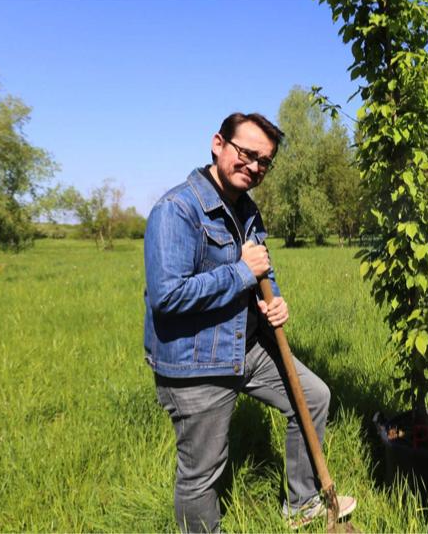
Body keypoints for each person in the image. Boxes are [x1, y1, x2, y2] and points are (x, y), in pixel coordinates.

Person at [143, 112, 355, 532]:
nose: (255, 167)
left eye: (264, 161)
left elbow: (262, 270)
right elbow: (168, 298)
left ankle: (302, 504)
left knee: (312, 398)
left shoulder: (246, 209)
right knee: (202, 472)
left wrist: (272, 302)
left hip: (246, 346)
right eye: (247, 154)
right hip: (195, 360)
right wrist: (241, 272)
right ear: (218, 144)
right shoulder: (176, 210)